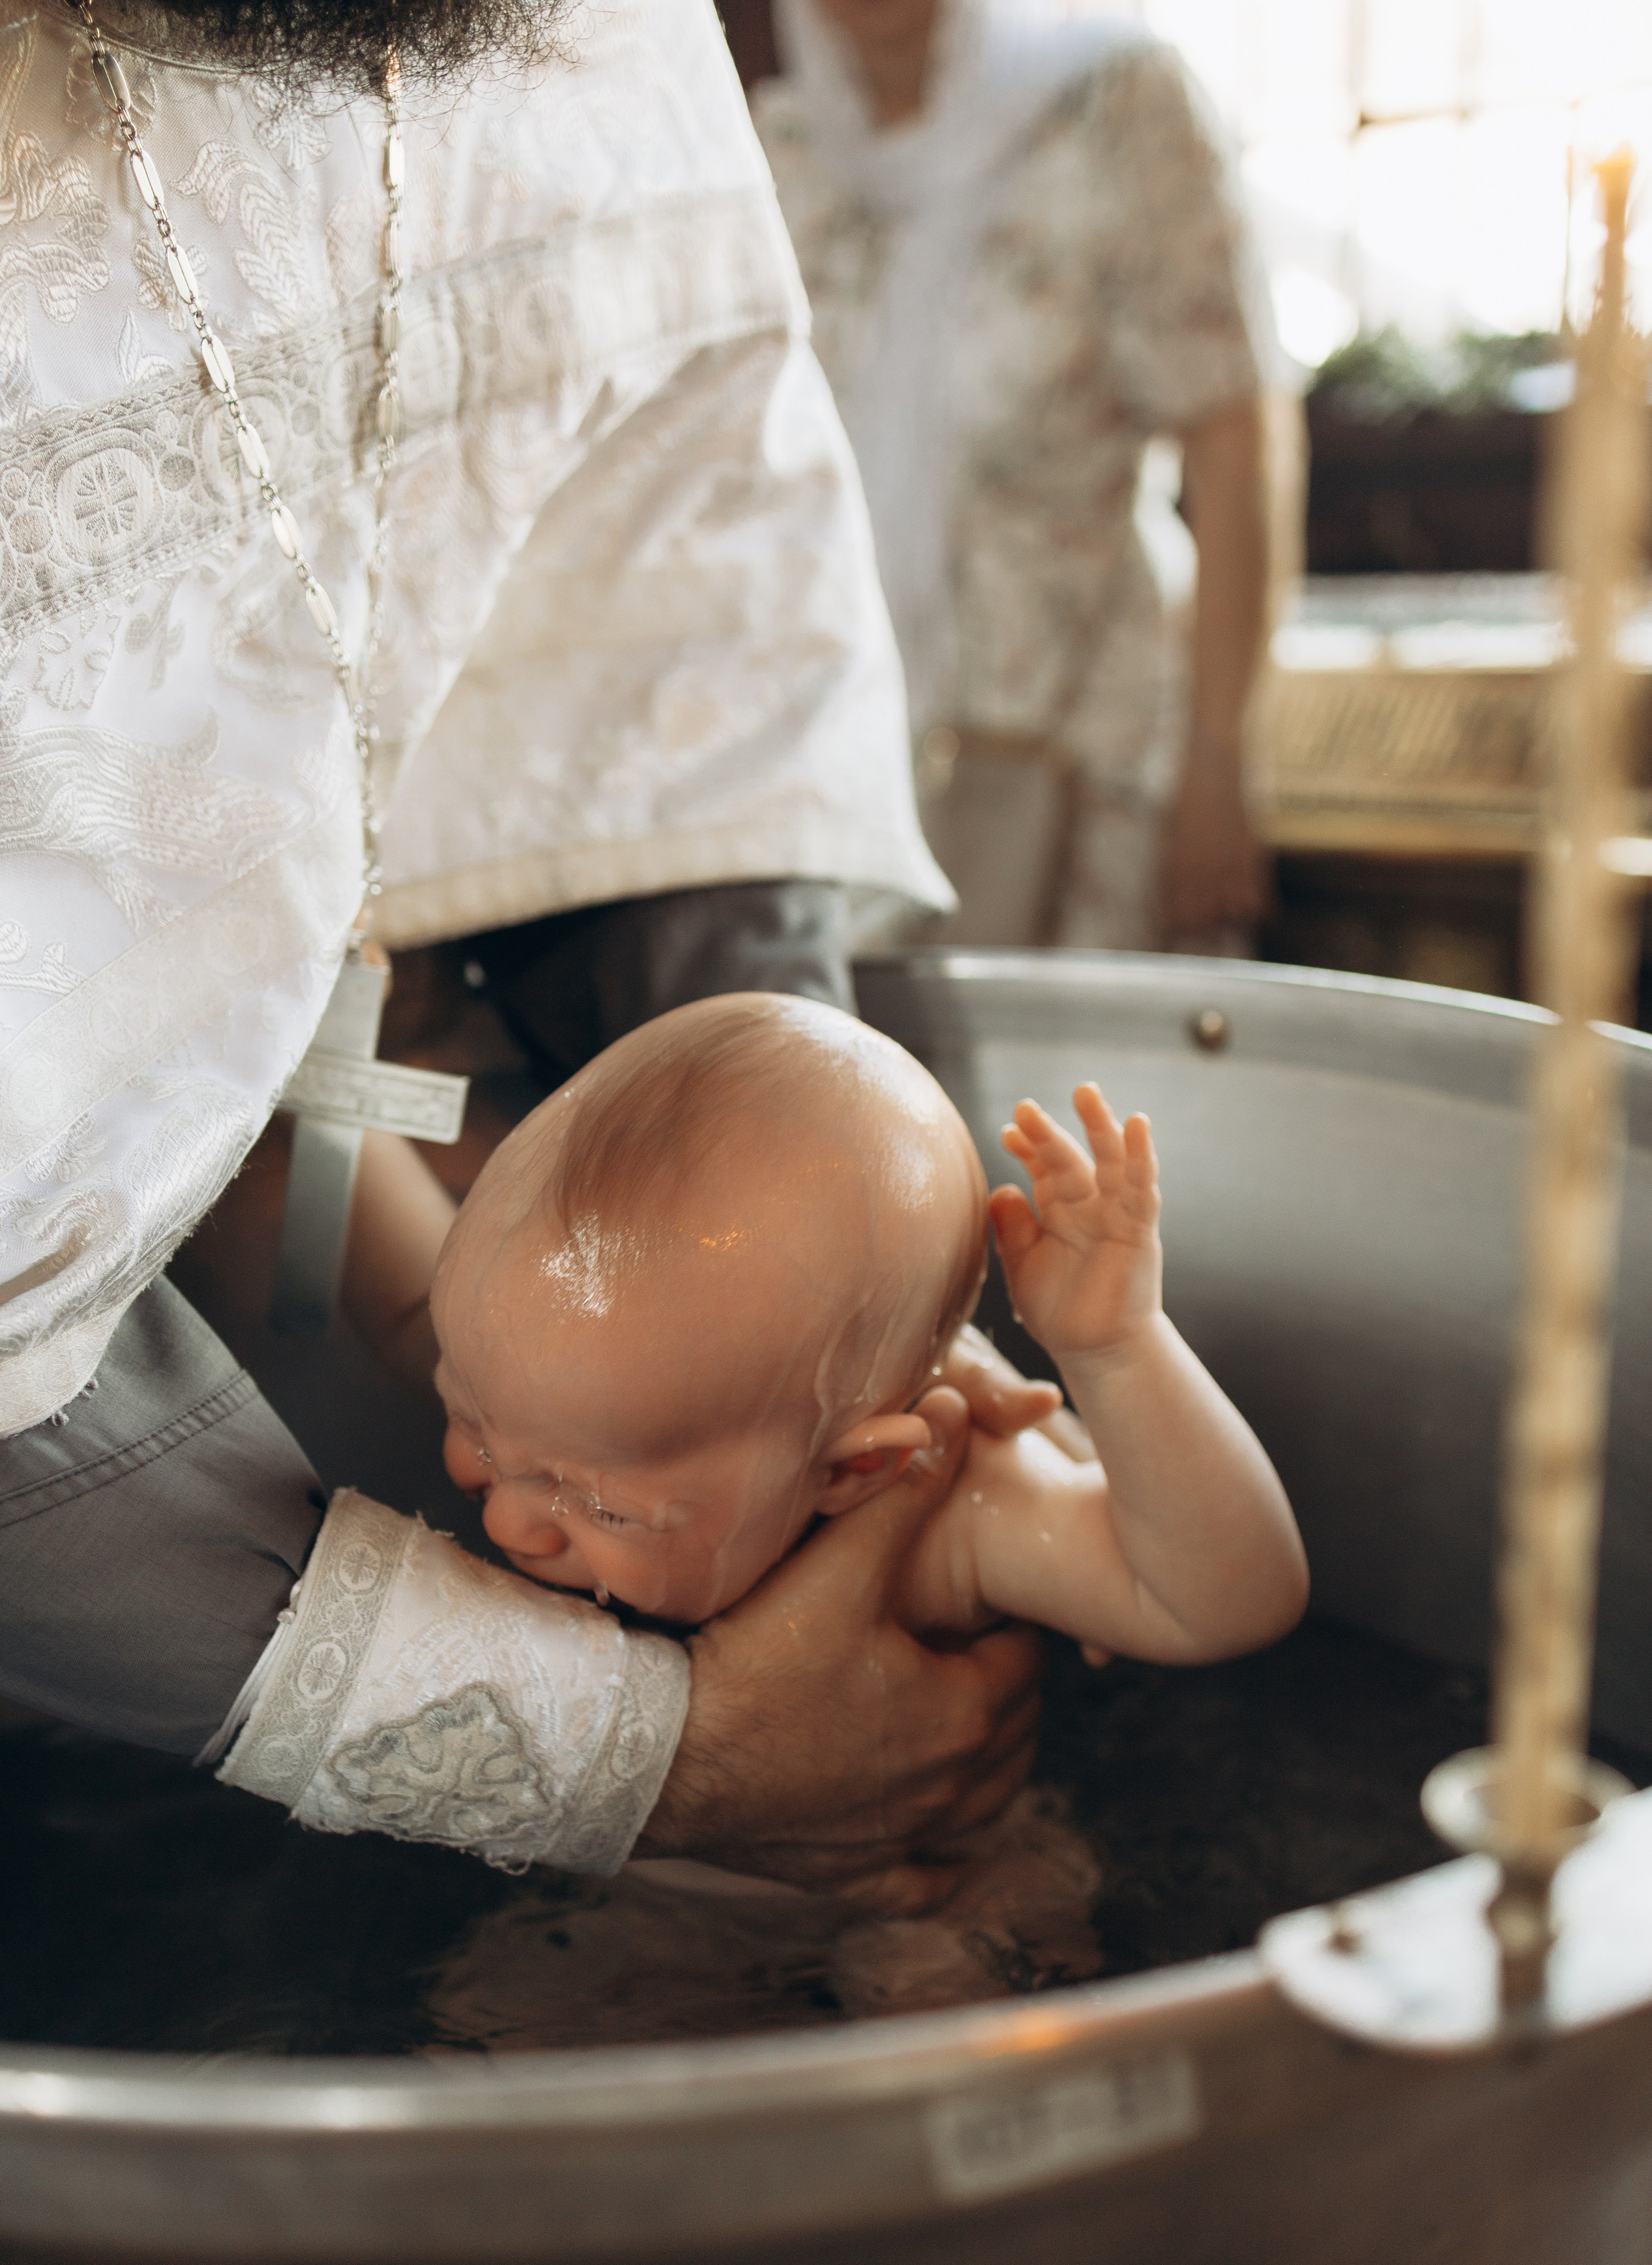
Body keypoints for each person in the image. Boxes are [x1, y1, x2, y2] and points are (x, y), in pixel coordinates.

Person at [0, 0, 1051, 1914]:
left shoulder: (583, 36)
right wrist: (653, 1755)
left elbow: (680, 627)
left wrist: (835, 1322)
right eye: (493, 1447)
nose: (502, 1484)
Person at [223, 995, 1305, 1860]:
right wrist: (285, 1031)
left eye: (599, 1502)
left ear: (852, 1470)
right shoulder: (553, 1374)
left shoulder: (950, 1511)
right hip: (624, 1913)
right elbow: (401, 1284)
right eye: (475, 1420)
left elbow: (1218, 1601)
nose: (508, 1511)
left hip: (912, 1900)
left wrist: (1117, 1349)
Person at [750, 0, 1277, 953]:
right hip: (850, 760)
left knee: (1074, 1091)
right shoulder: (779, 151)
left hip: (1083, 752)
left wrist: (1220, 763)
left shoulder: (1116, 101)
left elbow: (1235, 438)